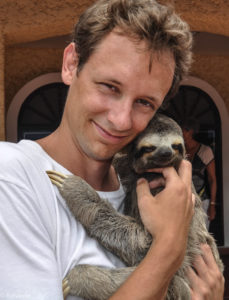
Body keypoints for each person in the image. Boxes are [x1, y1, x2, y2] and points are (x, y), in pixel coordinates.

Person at [0, 0, 224, 299]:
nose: (120, 119)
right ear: (71, 64)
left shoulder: (156, 189)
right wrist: (168, 247)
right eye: (109, 86)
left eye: (144, 102)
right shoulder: (13, 176)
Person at [182, 119, 217, 230]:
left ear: (190, 132)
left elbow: (212, 180)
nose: (179, 133)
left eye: (182, 130)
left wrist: (212, 205)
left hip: (202, 201)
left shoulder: (205, 151)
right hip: (183, 202)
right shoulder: (179, 151)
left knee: (202, 238)